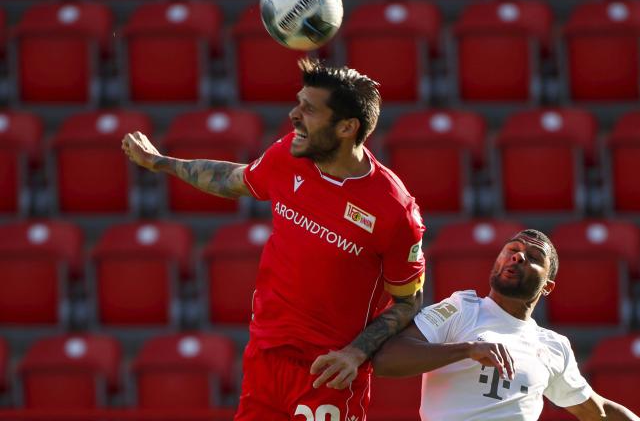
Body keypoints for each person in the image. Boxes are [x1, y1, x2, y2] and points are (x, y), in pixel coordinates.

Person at [121, 58, 426, 420]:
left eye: (309, 109)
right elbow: (234, 179)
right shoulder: (288, 155)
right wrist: (162, 163)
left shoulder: (395, 211)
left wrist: (357, 353)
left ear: (347, 127)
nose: (294, 114)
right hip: (265, 357)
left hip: (327, 372)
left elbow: (409, 301)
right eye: (299, 103)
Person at [372, 229, 640, 421]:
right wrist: (467, 350)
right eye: (513, 249)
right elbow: (386, 360)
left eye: (534, 257)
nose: (519, 257)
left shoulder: (553, 347)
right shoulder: (460, 308)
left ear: (547, 286)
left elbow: (597, 412)